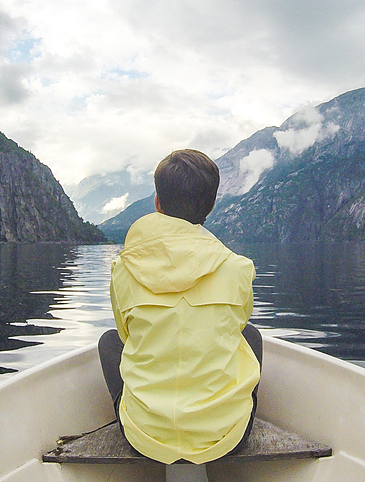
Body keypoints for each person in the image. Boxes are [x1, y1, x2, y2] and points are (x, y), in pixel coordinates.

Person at [99, 149, 262, 465]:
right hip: (227, 438)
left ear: (158, 204)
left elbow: (125, 334)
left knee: (109, 341)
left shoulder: (123, 268)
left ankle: (149, 417)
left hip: (144, 438)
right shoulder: (239, 268)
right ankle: (223, 416)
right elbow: (238, 325)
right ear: (211, 206)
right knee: (250, 336)